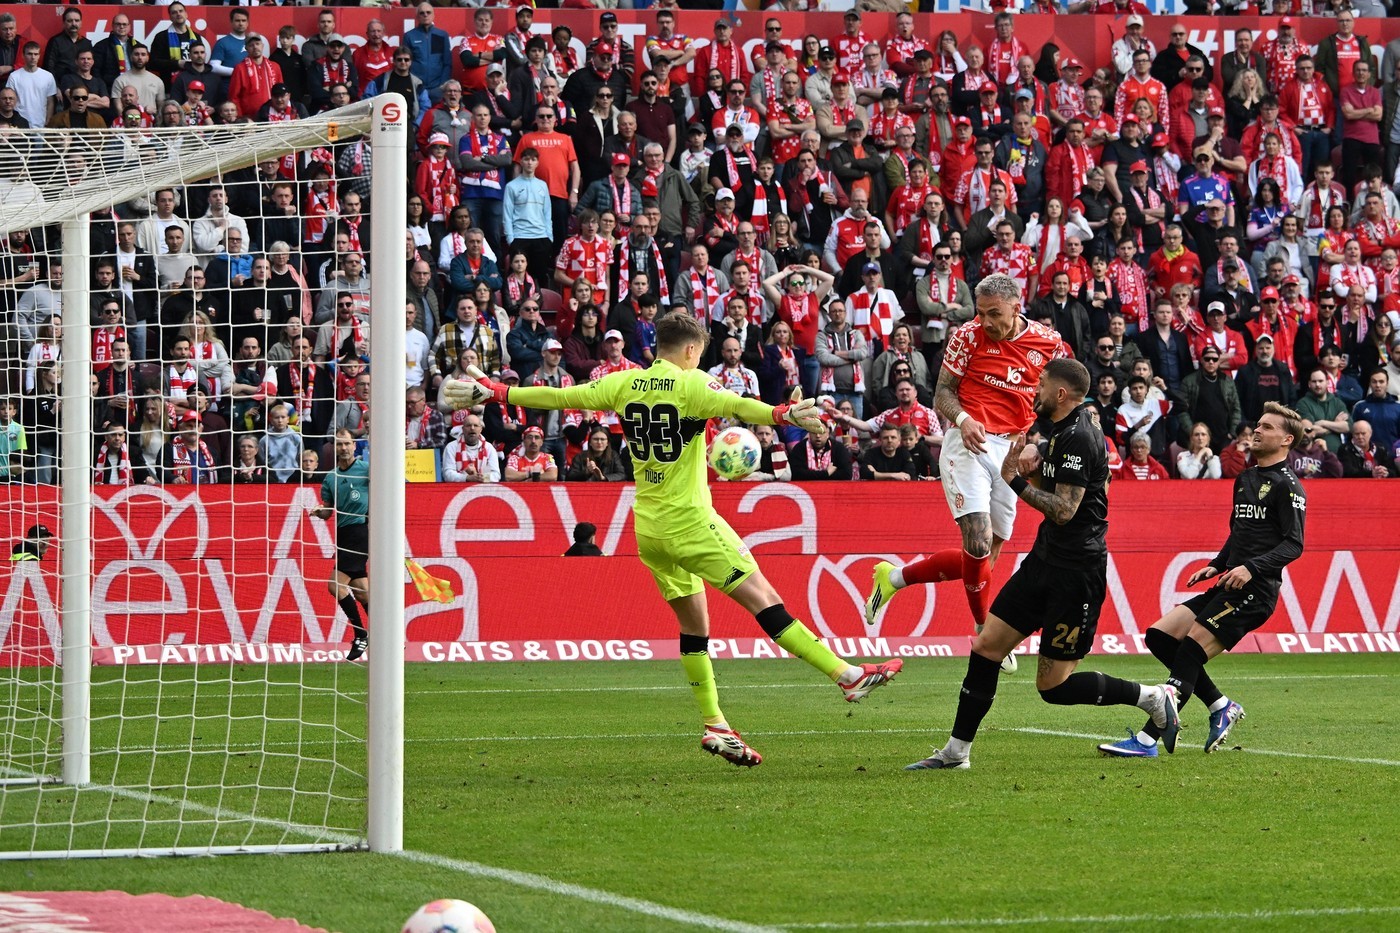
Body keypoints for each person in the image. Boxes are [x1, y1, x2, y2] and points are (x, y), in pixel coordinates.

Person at [443, 314, 903, 767]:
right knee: (766, 599)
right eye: (699, 354)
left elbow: (561, 394)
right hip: (691, 523)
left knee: (695, 626)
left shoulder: (624, 383)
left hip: (649, 528)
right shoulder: (691, 385)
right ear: (689, 351)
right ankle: (845, 675)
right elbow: (741, 407)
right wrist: (782, 413)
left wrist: (499, 391)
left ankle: (715, 724)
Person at [905, 359, 1179, 771]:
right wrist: (1031, 470)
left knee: (1053, 687)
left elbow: (1066, 511)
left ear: (1061, 394)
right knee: (986, 647)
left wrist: (1013, 480)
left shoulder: (1081, 438)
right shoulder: (1057, 433)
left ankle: (1154, 698)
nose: (1033, 389)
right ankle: (956, 752)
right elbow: (1054, 492)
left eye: (1040, 384)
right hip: (1043, 560)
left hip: (1076, 574)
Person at [866, 274, 1066, 675]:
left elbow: (1059, 400)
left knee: (986, 559)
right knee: (977, 539)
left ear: (1016, 306)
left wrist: (1036, 442)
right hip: (967, 440)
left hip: (1012, 449)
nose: (986, 321)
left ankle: (895, 578)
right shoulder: (967, 337)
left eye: (995, 314)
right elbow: (941, 393)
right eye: (981, 312)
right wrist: (961, 418)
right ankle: (987, 630)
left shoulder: (1049, 343)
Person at [1101, 402, 1308, 759]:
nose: (1257, 430)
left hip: (1255, 592)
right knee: (1160, 637)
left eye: (1268, 428)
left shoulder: (1289, 487)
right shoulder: (1245, 478)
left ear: (1286, 440)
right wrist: (1218, 564)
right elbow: (1239, 532)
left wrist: (1251, 568)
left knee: (1190, 650)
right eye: (1257, 424)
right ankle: (1220, 705)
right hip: (1229, 583)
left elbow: (1294, 544)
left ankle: (1148, 741)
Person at [309, 429, 371, 662]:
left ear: (354, 446)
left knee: (335, 585)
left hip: (360, 530)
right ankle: (389, 636)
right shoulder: (331, 477)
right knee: (363, 592)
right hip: (343, 534)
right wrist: (319, 512)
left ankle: (360, 634)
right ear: (333, 448)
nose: (343, 448)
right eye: (339, 445)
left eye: (347, 444)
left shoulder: (366, 470)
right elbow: (328, 510)